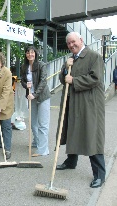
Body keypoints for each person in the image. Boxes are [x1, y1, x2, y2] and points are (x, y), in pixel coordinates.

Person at [56, 32, 106, 189]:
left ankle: (99, 174)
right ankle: (71, 161)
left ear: (81, 40)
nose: (71, 45)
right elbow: (62, 79)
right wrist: (66, 69)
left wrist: (74, 80)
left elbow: (95, 78)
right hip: (73, 101)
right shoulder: (71, 59)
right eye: (69, 43)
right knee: (72, 130)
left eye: (73, 42)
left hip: (89, 104)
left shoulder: (93, 57)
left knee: (92, 135)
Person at [20, 46, 50, 157]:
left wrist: (35, 94)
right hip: (30, 97)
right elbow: (22, 80)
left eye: (32, 52)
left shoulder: (41, 65)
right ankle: (37, 142)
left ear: (35, 54)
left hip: (42, 97)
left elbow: (43, 81)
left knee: (43, 124)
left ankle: (43, 150)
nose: (30, 54)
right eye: (28, 52)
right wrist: (25, 85)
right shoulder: (24, 67)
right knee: (33, 123)